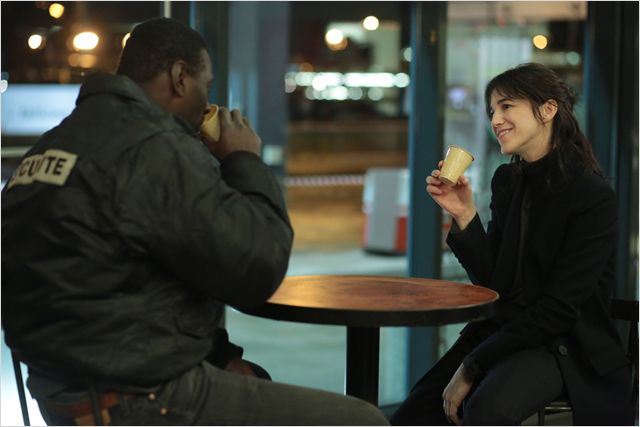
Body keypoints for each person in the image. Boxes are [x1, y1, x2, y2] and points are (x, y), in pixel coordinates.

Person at [1, 17, 389, 426]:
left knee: (255, 377)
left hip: (62, 391)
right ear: (180, 77)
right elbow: (258, 269)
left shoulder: (56, 143)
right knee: (363, 419)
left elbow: (118, 276)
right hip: (139, 395)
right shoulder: (152, 146)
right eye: (207, 83)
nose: (208, 102)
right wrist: (243, 160)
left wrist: (219, 356)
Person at [390, 63, 634, 426]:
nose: (496, 119)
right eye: (492, 111)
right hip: (506, 331)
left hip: (563, 344)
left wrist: (472, 366)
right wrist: (464, 215)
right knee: (414, 414)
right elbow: (494, 284)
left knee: (485, 411)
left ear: (548, 110)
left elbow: (559, 310)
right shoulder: (508, 180)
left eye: (507, 106)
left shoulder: (591, 196)